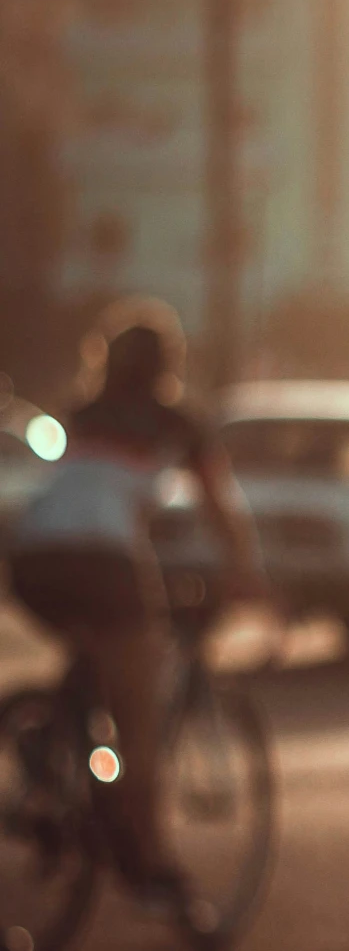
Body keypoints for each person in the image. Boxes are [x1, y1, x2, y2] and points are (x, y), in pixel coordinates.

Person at [5, 299, 265, 897]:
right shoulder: (176, 421)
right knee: (139, 714)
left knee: (95, 653)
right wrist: (246, 574)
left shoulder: (84, 411)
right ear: (168, 365)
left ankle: (47, 744)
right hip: (103, 561)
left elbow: (93, 492)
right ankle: (151, 860)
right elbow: (220, 510)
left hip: (32, 556)